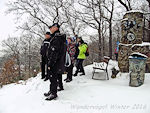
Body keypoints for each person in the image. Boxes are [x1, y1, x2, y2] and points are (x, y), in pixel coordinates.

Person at [44, 23, 66, 101]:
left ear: (56, 28)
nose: (50, 29)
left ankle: (54, 93)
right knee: (51, 77)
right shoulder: (55, 37)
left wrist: (51, 63)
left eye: (52, 28)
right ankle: (51, 91)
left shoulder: (57, 38)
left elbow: (55, 52)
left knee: (53, 78)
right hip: (54, 61)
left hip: (55, 62)